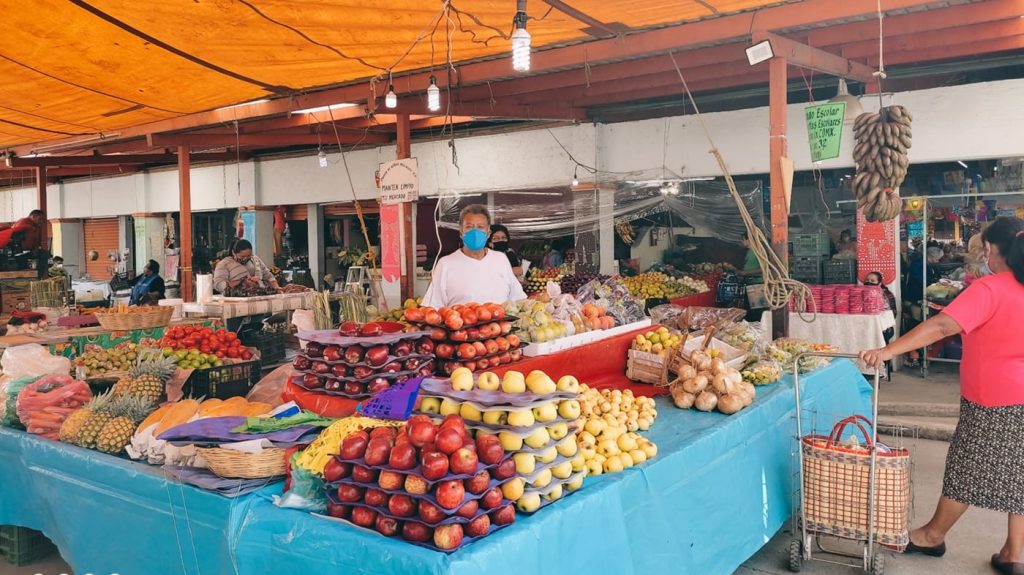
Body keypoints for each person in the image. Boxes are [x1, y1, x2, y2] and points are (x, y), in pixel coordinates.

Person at [860, 217, 1024, 574]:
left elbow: (941, 325)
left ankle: (932, 535)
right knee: (1019, 471)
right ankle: (1013, 552)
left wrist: (887, 352)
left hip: (994, 399)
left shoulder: (991, 289)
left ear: (996, 251)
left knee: (967, 468)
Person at [422, 205, 527, 308]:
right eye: (469, 227)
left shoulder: (500, 259)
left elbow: (518, 299)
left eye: (480, 227)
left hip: (501, 324)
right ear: (461, 232)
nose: (475, 232)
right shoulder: (445, 264)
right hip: (460, 324)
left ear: (488, 233)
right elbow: (432, 307)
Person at [213, 239, 281, 294]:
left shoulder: (255, 260)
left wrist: (277, 289)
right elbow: (218, 284)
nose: (245, 259)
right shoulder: (224, 264)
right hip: (237, 301)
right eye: (242, 257)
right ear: (234, 253)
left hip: (260, 298)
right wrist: (242, 282)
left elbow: (269, 277)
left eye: (248, 256)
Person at [864, 271, 897, 341]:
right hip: (868, 329)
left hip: (883, 329)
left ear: (879, 283)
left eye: (872, 281)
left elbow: (893, 313)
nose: (869, 282)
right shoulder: (862, 293)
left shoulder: (886, 294)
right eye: (867, 280)